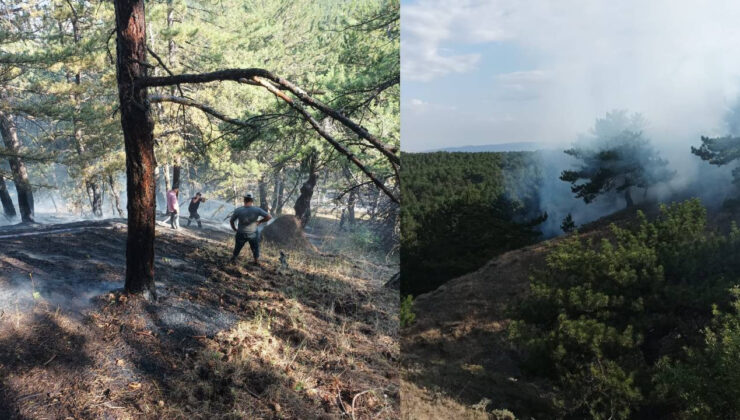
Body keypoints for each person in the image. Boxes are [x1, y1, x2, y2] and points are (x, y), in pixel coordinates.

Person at [230, 192, 271, 265]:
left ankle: (234, 258)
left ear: (244, 200)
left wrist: (234, 229)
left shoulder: (238, 210)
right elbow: (269, 217)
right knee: (255, 247)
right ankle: (256, 261)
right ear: (252, 201)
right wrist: (260, 221)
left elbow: (231, 221)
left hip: (241, 233)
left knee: (237, 247)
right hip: (253, 233)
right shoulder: (257, 210)